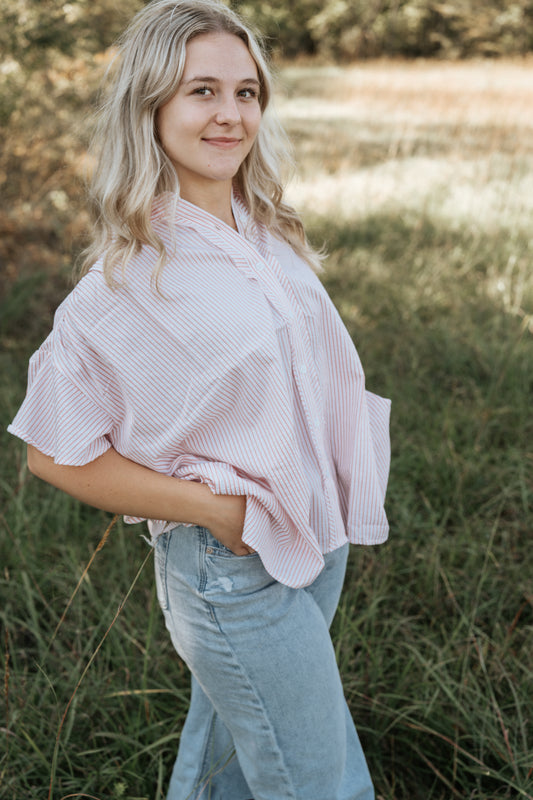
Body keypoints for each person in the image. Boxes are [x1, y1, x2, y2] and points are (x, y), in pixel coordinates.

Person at [8, 1, 391, 797]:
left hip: (316, 535)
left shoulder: (263, 230)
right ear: (150, 106)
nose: (231, 114)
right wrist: (219, 514)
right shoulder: (125, 281)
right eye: (202, 92)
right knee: (325, 783)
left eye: (246, 92)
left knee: (231, 769)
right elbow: (52, 454)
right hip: (234, 567)